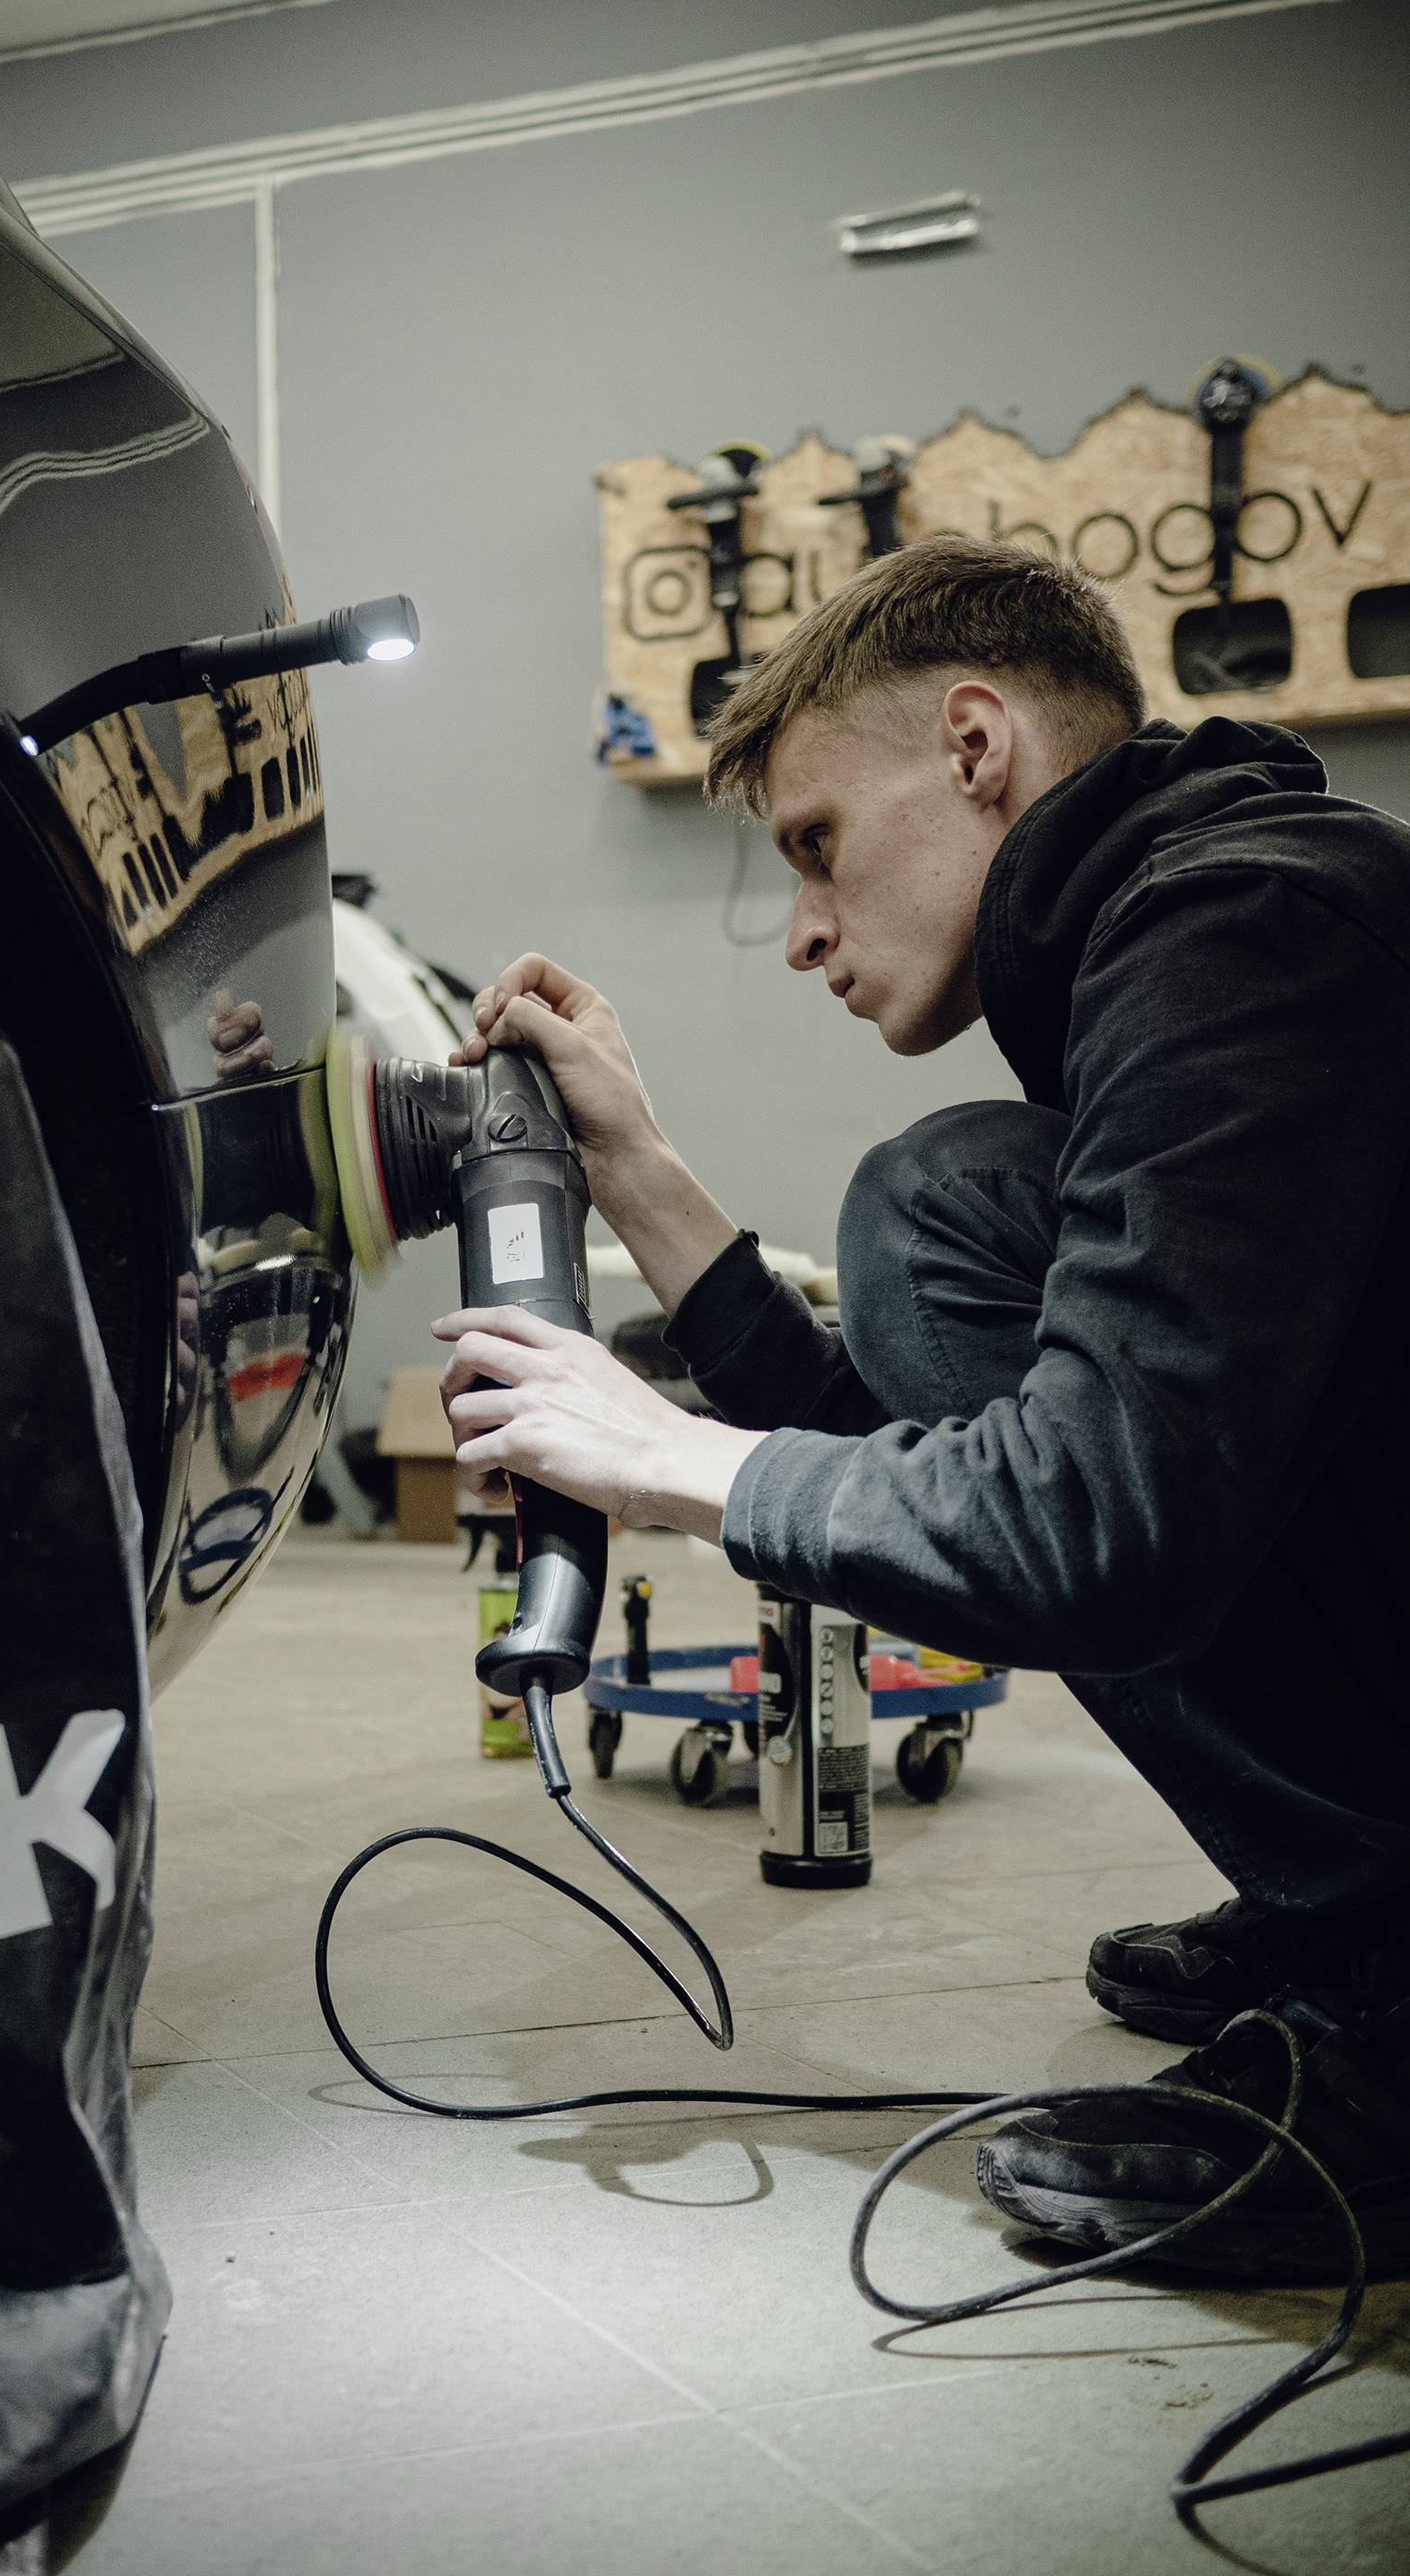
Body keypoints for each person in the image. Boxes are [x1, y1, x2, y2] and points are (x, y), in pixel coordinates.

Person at [435, 533, 1410, 2277]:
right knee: (955, 1200)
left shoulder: (1248, 926)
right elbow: (931, 1476)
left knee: (938, 1198)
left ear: (977, 747)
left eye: (817, 845)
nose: (806, 928)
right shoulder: (1184, 932)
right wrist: (640, 1172)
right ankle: (1358, 1908)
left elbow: (1080, 1528)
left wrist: (670, 1459)